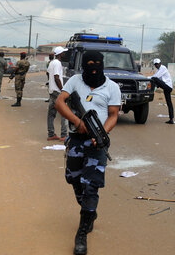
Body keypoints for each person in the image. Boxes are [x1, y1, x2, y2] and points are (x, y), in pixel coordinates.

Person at [54, 50, 121, 255]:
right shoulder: (75, 81)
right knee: (73, 178)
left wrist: (101, 133)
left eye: (97, 62)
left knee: (91, 186)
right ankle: (89, 211)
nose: (93, 66)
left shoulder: (112, 87)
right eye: (89, 62)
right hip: (75, 138)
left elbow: (113, 115)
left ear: (102, 64)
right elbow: (60, 102)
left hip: (97, 143)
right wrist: (77, 122)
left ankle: (82, 232)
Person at [47, 47, 69, 141]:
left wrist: (50, 83)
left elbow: (48, 74)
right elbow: (57, 77)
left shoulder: (51, 62)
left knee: (51, 114)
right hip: (57, 91)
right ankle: (64, 135)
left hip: (52, 91)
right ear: (60, 54)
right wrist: (62, 89)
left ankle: (51, 134)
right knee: (64, 113)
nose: (65, 53)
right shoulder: (57, 63)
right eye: (63, 52)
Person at [150, 58, 174, 124]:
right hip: (166, 88)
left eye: (157, 64)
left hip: (168, 86)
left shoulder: (163, 68)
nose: (156, 65)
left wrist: (146, 78)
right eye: (155, 64)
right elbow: (158, 78)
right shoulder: (159, 70)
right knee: (169, 103)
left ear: (160, 63)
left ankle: (151, 90)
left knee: (154, 79)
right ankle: (171, 119)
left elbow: (155, 77)